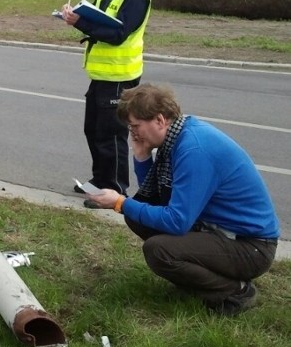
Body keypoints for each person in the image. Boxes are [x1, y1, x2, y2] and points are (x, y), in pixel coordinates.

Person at [85, 84, 279, 316]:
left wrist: (120, 203)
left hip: (252, 247)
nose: (133, 133)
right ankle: (200, 281)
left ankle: (236, 291)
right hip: (221, 232)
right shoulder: (178, 136)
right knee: (137, 217)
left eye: (136, 126)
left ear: (159, 120)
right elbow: (159, 199)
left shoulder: (193, 149)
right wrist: (142, 157)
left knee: (159, 250)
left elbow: (177, 221)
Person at [60, 0, 150, 204]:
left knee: (112, 136)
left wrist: (81, 23)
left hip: (121, 76)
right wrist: (77, 14)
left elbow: (118, 34)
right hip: (102, 74)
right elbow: (99, 16)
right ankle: (99, 181)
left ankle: (115, 190)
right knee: (94, 130)